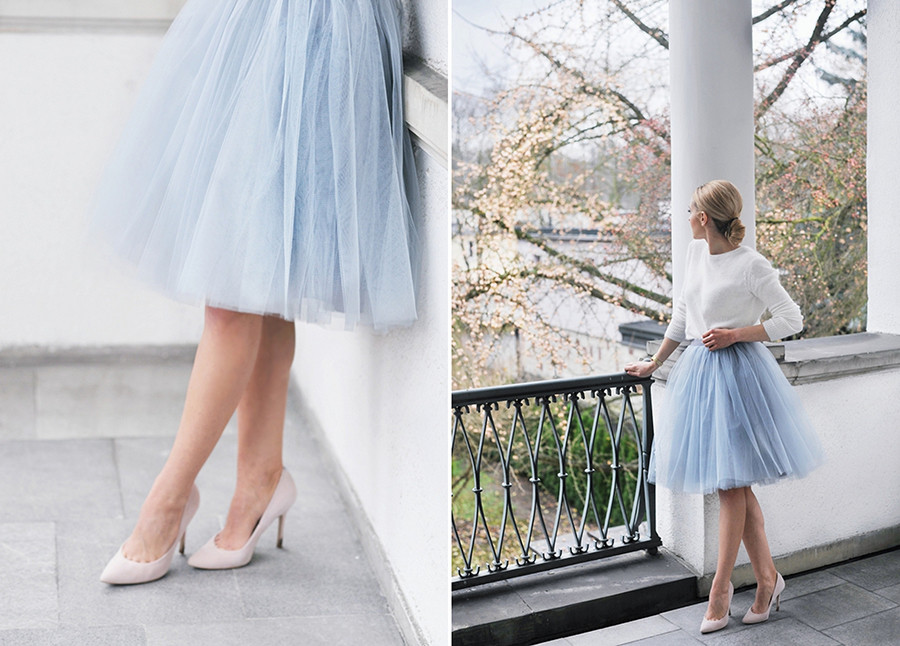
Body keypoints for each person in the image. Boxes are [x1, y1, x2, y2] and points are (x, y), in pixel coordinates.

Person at [93, 0, 419, 584]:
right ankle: (260, 476)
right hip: (253, 24)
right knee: (255, 276)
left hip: (326, 28)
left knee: (241, 286)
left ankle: (170, 500)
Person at [624, 180, 824, 634]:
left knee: (731, 486)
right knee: (735, 486)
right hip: (699, 374)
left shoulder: (751, 264)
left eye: (690, 210)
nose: (685, 216)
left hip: (740, 376)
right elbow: (682, 314)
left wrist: (737, 333)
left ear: (702, 217)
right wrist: (655, 363)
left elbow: (792, 318)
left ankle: (720, 588)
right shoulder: (695, 255)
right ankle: (768, 580)